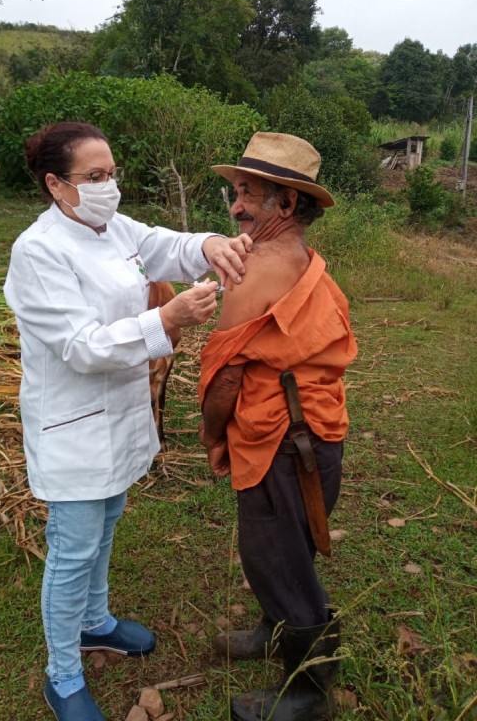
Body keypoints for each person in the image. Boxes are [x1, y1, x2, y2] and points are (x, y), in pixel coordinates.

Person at [3, 121, 252, 721]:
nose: (108, 186)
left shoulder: (113, 228)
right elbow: (82, 346)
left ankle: (95, 621)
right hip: (73, 425)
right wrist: (165, 320)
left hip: (118, 415)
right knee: (72, 548)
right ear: (56, 185)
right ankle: (62, 674)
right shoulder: (38, 251)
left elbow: (165, 245)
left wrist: (211, 244)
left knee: (108, 522)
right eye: (94, 177)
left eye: (111, 174)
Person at [198, 132, 358, 721]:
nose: (235, 205)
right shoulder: (306, 261)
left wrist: (214, 437)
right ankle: (273, 628)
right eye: (234, 191)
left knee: (275, 559)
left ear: (287, 205)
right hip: (315, 438)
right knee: (287, 551)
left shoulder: (260, 267)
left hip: (284, 445)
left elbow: (224, 381)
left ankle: (312, 691)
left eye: (248, 193)